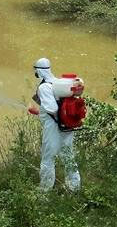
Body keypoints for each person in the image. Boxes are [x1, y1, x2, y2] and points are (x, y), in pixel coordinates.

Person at [32, 57, 81, 191]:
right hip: (67, 125)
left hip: (53, 126)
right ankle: (74, 187)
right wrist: (39, 112)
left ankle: (45, 189)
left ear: (38, 71)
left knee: (48, 156)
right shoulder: (58, 84)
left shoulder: (44, 87)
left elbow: (52, 109)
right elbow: (58, 106)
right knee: (68, 155)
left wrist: (47, 113)